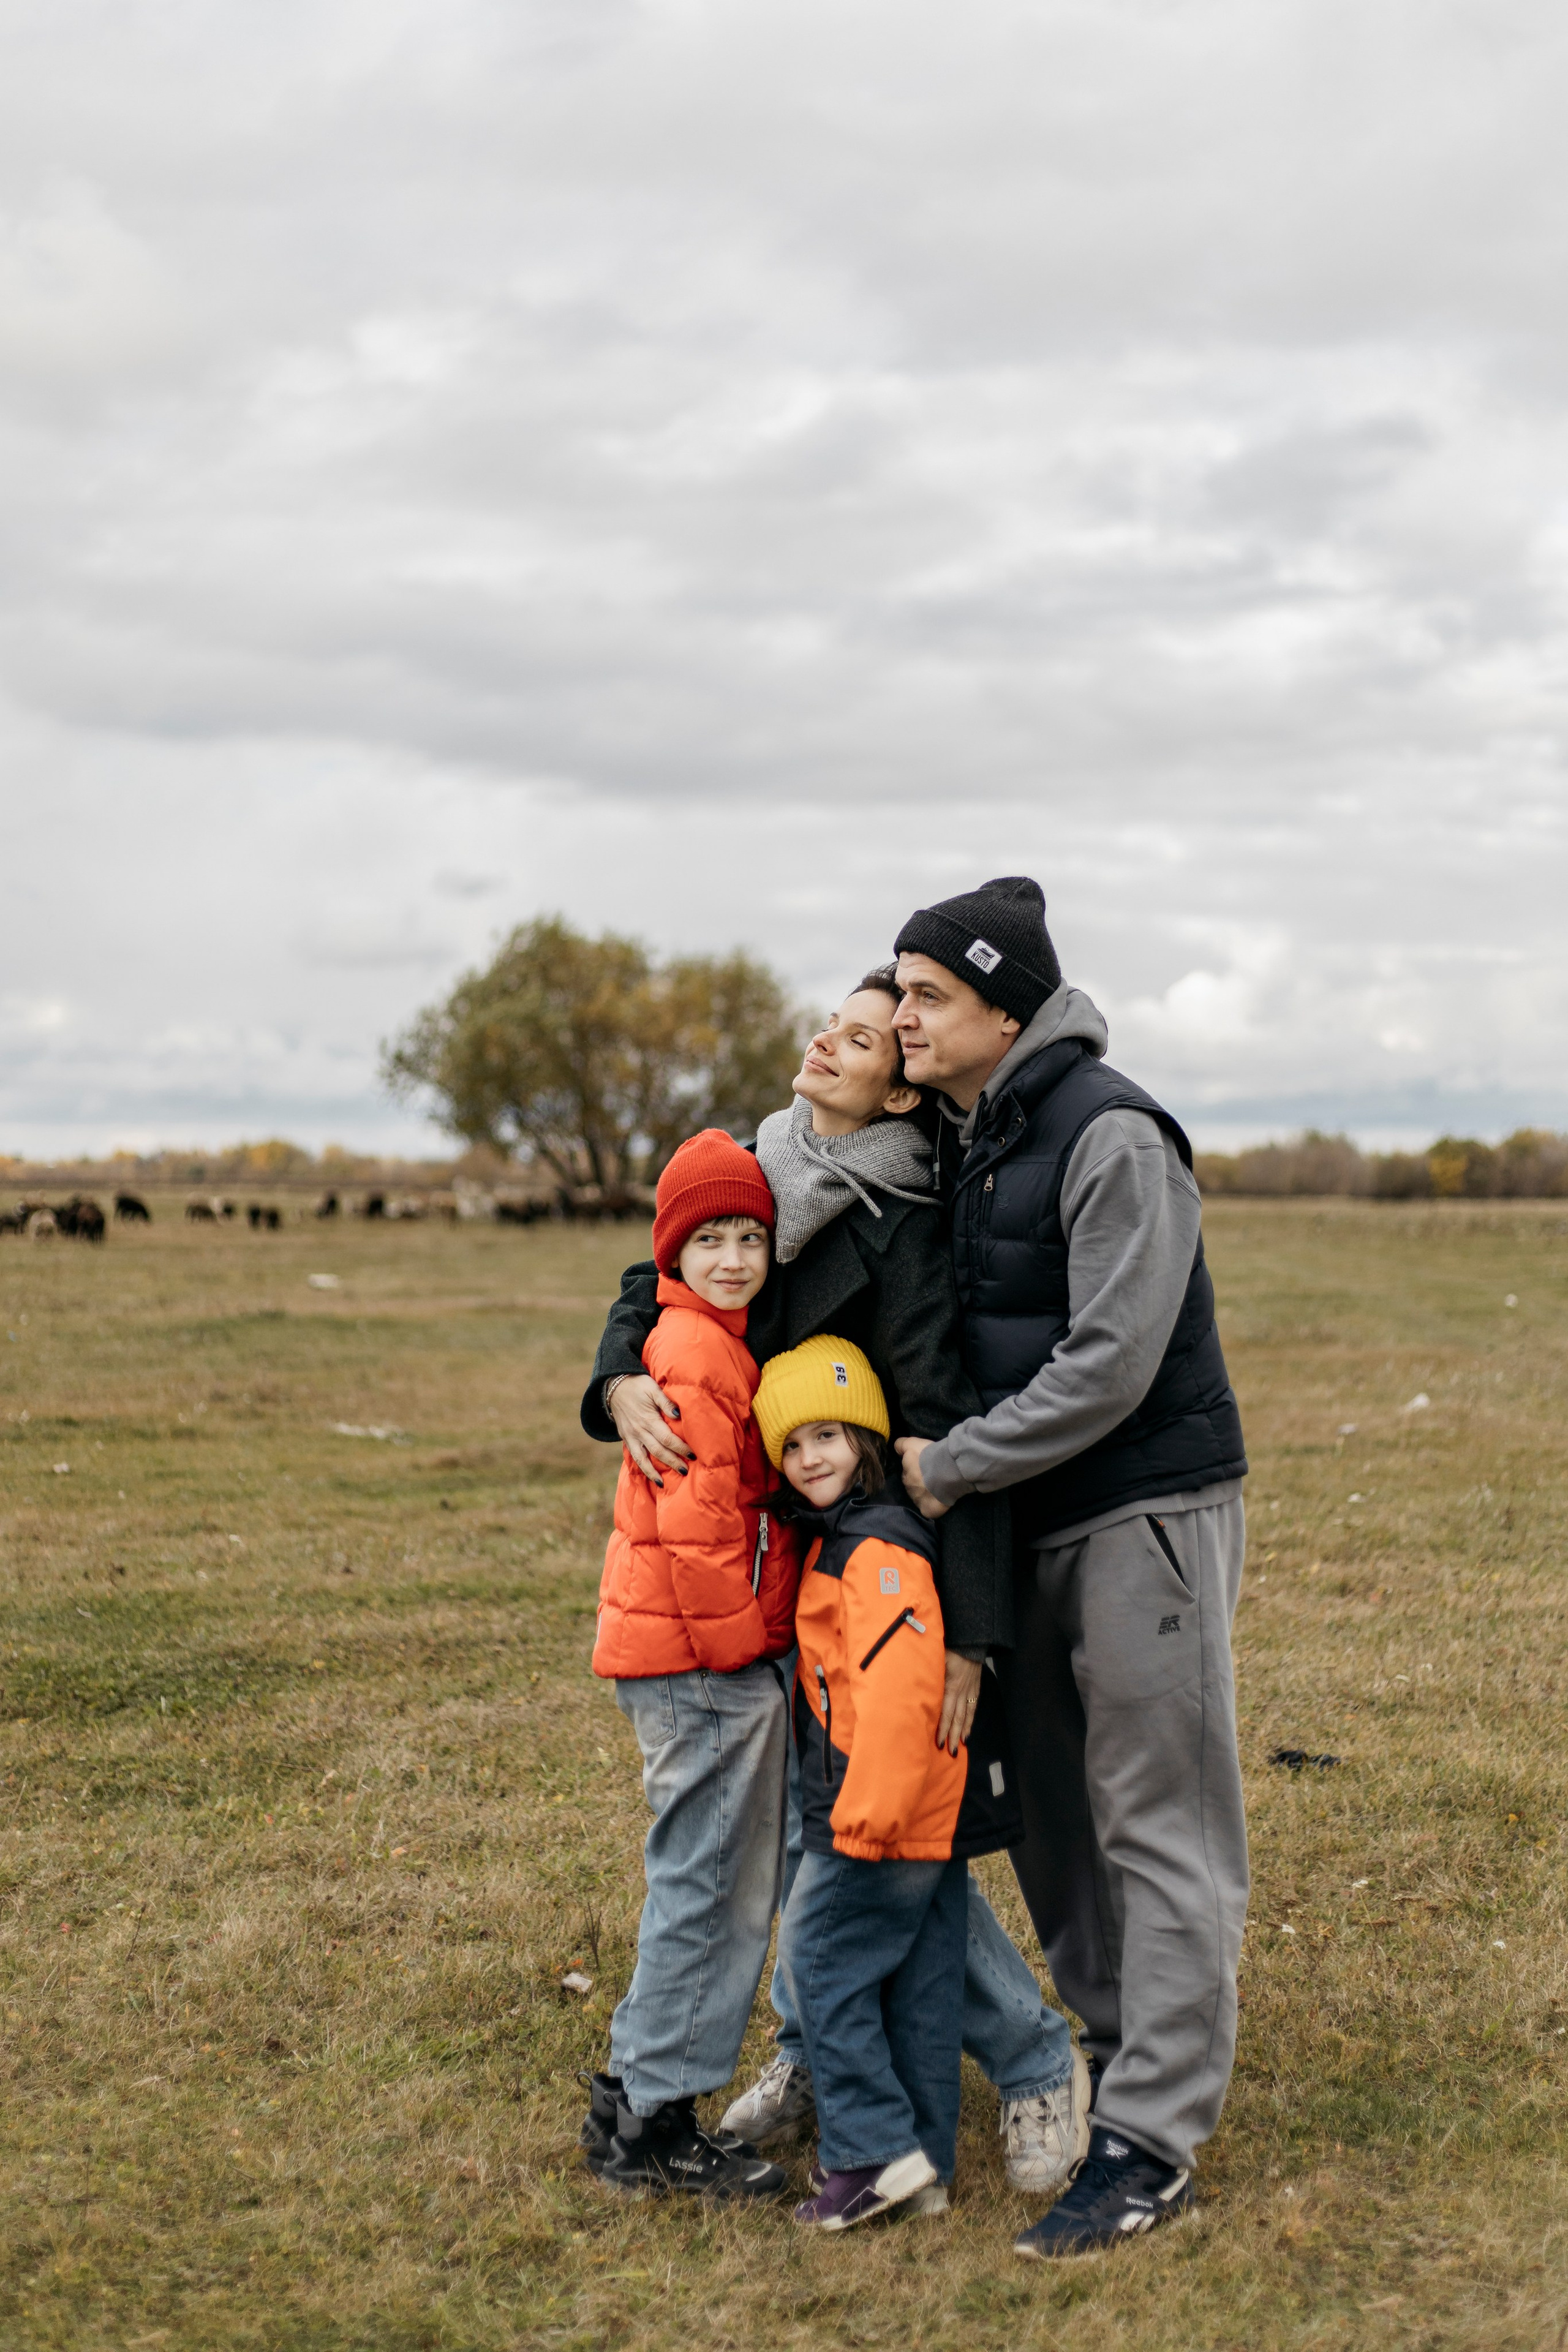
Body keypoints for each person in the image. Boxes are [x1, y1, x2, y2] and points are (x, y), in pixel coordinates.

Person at [582, 972, 1090, 2196]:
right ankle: (817, 2051)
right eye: (836, 1022)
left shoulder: (904, 1225)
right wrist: (615, 1382)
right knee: (824, 1837)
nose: (826, 1042)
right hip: (762, 1568)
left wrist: (962, 1631)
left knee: (885, 1833)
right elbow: (652, 1277)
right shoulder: (763, 1164)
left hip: (866, 1565)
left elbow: (943, 1423)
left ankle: (1031, 2065)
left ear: (898, 1084)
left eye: (862, 1038)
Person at [886, 875, 1250, 2258]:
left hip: (1139, 1509)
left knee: (1158, 1819)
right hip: (1024, 1524)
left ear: (1004, 1007)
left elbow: (1108, 1362)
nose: (902, 1017)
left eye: (927, 995)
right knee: (1046, 1818)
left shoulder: (1111, 1134)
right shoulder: (972, 1135)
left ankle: (1152, 2144)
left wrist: (953, 1463)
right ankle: (1117, 2058)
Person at [756, 1338, 1024, 2231]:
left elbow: (903, 1692)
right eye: (792, 1447)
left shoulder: (872, 1552)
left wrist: (861, 1821)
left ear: (867, 1438)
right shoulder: (852, 1540)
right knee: (918, 1985)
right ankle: (926, 2167)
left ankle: (868, 2154)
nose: (810, 1458)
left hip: (875, 1815)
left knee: (823, 1966)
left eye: (828, 1435)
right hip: (908, 1814)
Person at [582, 1128, 799, 2202]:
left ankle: (632, 2096)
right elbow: (702, 1534)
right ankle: (655, 2124)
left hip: (673, 1652)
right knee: (712, 1886)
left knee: (696, 1875)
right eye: (708, 1239)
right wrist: (747, 1655)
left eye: (749, 1238)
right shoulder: (702, 1355)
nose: (731, 1259)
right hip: (702, 1660)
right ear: (671, 1250)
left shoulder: (698, 1337)